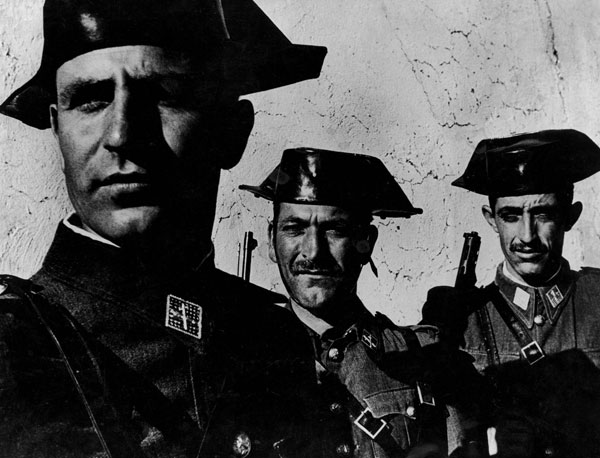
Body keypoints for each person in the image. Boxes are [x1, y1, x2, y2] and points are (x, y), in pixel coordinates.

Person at [0, 0, 327, 456]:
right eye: (91, 99)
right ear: (57, 126)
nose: (123, 134)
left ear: (232, 132)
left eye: (165, 93)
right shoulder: (15, 344)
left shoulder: (274, 340)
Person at [240, 147, 485, 458]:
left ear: (365, 242)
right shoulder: (239, 361)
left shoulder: (422, 359)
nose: (313, 252)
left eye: (335, 230)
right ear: (273, 239)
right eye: (294, 229)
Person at [422, 129, 600, 457]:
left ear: (570, 216)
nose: (527, 235)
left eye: (543, 213)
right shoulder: (463, 319)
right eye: (511, 216)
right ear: (492, 220)